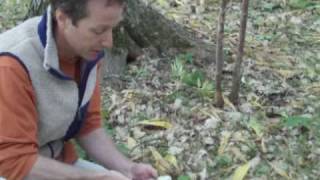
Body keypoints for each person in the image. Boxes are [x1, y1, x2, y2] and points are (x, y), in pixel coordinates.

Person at [0, 0, 158, 179]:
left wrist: (128, 169)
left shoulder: (86, 50)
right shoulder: (11, 65)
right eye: (98, 30)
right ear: (63, 19)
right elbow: (13, 162)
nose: (108, 42)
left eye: (112, 28)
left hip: (53, 161)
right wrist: (87, 177)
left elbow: (87, 124)